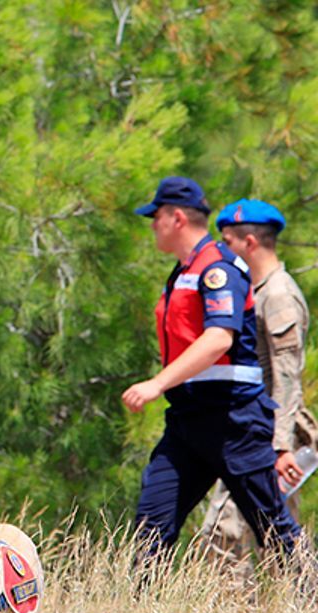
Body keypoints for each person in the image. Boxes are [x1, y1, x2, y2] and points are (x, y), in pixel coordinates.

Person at [122, 177, 305, 567]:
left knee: (275, 530)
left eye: (155, 217)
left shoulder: (218, 268)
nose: (152, 225)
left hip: (233, 422)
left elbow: (219, 339)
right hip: (188, 420)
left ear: (176, 218)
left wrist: (156, 384)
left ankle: (311, 601)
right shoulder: (183, 270)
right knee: (151, 525)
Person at [199, 199, 310, 586]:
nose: (220, 248)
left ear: (249, 242)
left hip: (269, 434)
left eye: (226, 240)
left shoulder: (277, 295)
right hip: (254, 429)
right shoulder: (257, 289)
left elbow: (286, 377)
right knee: (274, 538)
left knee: (225, 532)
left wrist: (279, 446)